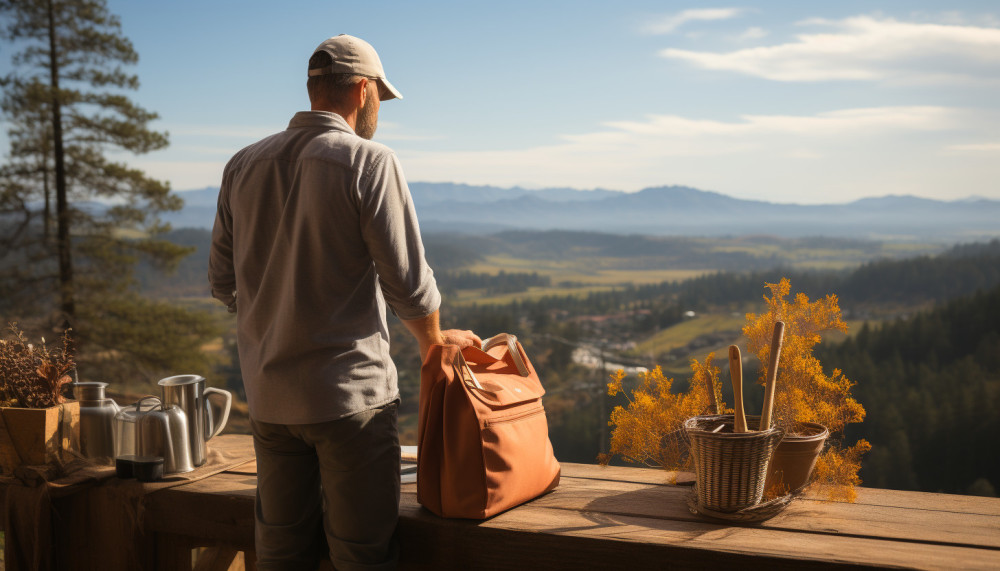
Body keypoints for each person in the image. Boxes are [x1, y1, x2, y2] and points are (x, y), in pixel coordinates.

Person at [209, 34, 480, 570]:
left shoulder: (242, 164)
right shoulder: (368, 161)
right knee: (361, 556)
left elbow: (223, 283)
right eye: (381, 95)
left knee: (281, 556)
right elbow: (407, 282)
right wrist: (434, 344)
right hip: (348, 400)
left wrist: (279, 310)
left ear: (313, 87)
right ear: (362, 90)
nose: (380, 107)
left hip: (270, 400)